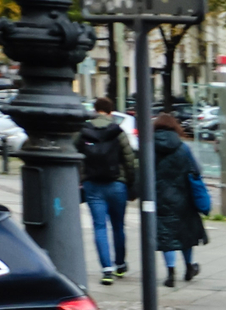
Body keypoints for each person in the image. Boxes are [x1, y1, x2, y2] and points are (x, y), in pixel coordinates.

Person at [148, 113, 209, 286]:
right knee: (185, 235)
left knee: (166, 236)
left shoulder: (150, 147)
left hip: (159, 198)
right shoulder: (183, 148)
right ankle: (189, 266)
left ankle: (170, 273)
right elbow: (196, 170)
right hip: (183, 198)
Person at [78, 98, 133, 286]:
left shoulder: (84, 131)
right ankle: (120, 264)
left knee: (99, 226)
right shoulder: (118, 132)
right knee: (118, 226)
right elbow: (129, 159)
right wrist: (129, 181)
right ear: (110, 112)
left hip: (93, 185)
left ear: (95, 110)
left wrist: (81, 178)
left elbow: (75, 157)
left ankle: (106, 270)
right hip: (117, 184)